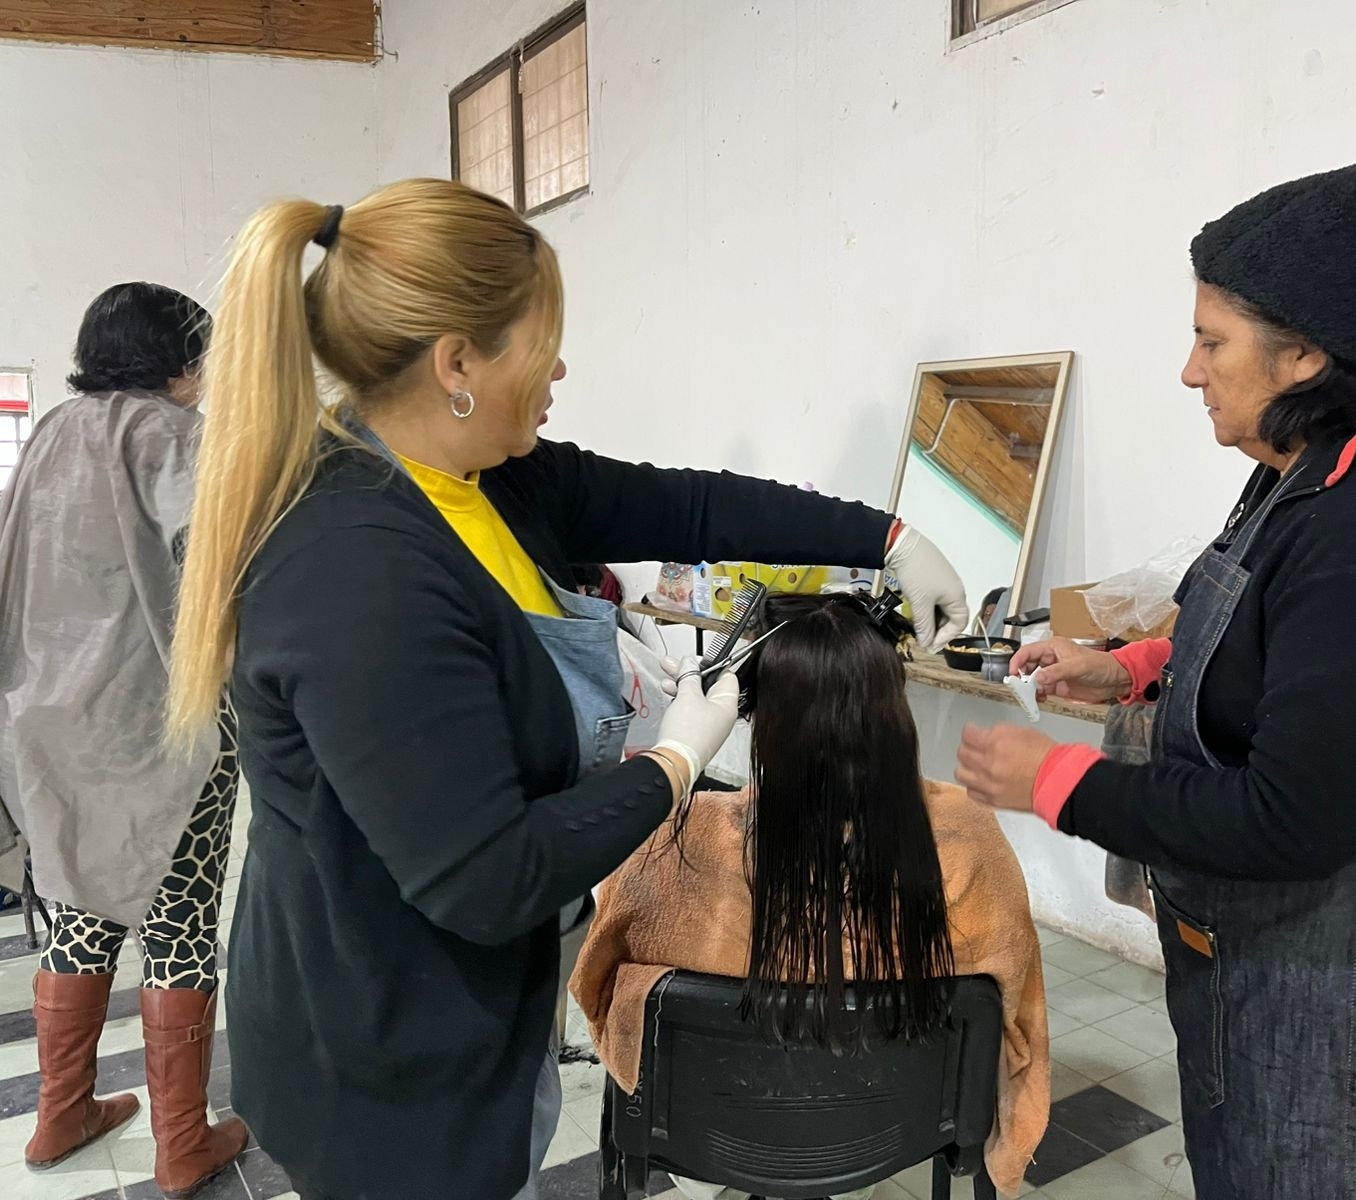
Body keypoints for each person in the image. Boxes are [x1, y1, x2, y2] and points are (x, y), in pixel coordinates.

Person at [164, 178, 968, 1200]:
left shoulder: (491, 476)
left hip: (480, 997)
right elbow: (487, 876)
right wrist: (677, 759)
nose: (561, 369)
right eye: (543, 343)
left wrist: (888, 537)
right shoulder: (356, 564)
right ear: (458, 362)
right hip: (384, 1049)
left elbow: (691, 506)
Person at [955, 155, 1356, 1200]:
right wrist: (1132, 669)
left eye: (1212, 341)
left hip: (1348, 986)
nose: (1189, 372)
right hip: (1280, 961)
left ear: (1306, 354)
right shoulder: (1307, 469)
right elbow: (1274, 643)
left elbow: (1291, 823)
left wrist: (1057, 783)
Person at [572, 592, 1050, 1198]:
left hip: (705, 1138)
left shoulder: (672, 841)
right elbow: (1016, 1018)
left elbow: (597, 990)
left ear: (751, 713)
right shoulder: (969, 836)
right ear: (893, 709)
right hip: (890, 1134)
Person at [0, 283, 249, 1197]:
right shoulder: (179, 439)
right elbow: (224, 572)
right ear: (177, 358)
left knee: (79, 908)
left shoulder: (50, 434)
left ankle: (59, 1113)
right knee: (179, 923)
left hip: (52, 723)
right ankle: (183, 1143)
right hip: (163, 724)